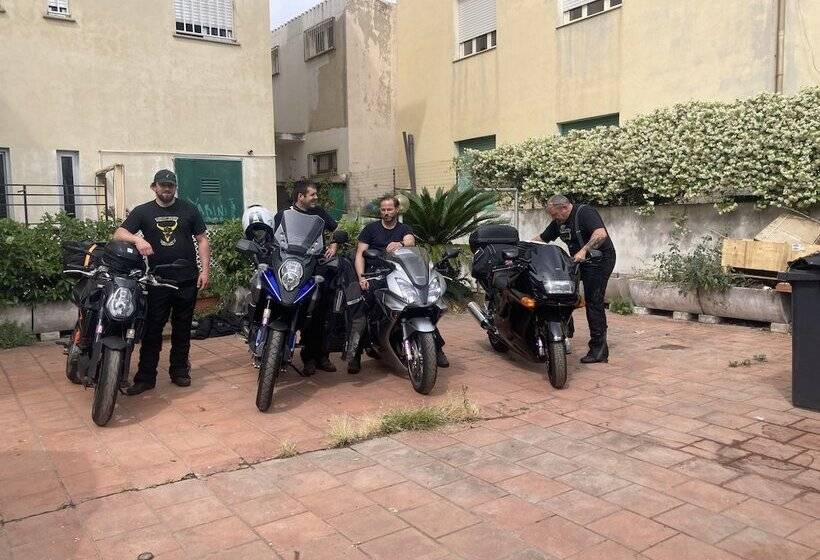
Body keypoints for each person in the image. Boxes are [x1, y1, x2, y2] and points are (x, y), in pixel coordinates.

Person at [114, 169, 210, 395]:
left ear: (175, 187)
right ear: (154, 187)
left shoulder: (189, 209)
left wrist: (205, 271)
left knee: (182, 329)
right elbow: (119, 233)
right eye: (163, 185)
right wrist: (137, 240)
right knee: (152, 331)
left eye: (171, 185)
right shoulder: (143, 211)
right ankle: (146, 378)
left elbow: (202, 239)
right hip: (156, 281)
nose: (167, 189)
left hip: (187, 279)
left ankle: (179, 371)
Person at [350, 195, 449, 373]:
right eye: (383, 210)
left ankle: (436, 348)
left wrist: (401, 243)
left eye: (390, 209)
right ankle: (355, 354)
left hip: (398, 274)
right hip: (376, 274)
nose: (386, 212)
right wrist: (362, 278)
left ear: (396, 210)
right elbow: (360, 254)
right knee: (365, 307)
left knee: (424, 306)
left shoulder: (404, 229)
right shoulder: (370, 229)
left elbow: (411, 242)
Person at [534, 195, 616, 363]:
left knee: (593, 302)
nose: (554, 218)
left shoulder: (585, 212)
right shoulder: (559, 222)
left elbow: (601, 234)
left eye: (555, 214)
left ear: (564, 207)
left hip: (599, 260)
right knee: (563, 293)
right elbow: (542, 239)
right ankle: (563, 333)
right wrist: (523, 247)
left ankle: (599, 351)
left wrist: (584, 250)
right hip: (578, 261)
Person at [274, 181, 339, 376]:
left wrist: (333, 245)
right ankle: (277, 350)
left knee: (319, 313)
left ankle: (318, 356)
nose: (315, 197)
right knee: (285, 307)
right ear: (300, 197)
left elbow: (336, 229)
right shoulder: (283, 215)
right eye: (312, 194)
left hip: (315, 266)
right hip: (292, 269)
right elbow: (274, 241)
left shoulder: (319, 213)